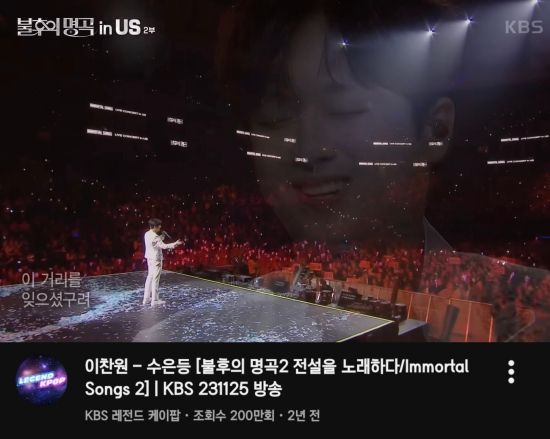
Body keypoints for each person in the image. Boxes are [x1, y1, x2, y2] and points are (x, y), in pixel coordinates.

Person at [143, 218, 183, 306]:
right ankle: (155, 300)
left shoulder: (147, 234)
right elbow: (163, 246)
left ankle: (146, 299)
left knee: (150, 277)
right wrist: (175, 244)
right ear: (154, 227)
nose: (160, 227)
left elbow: (155, 243)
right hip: (156, 259)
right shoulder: (155, 237)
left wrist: (161, 236)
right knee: (155, 279)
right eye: (158, 226)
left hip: (149, 258)